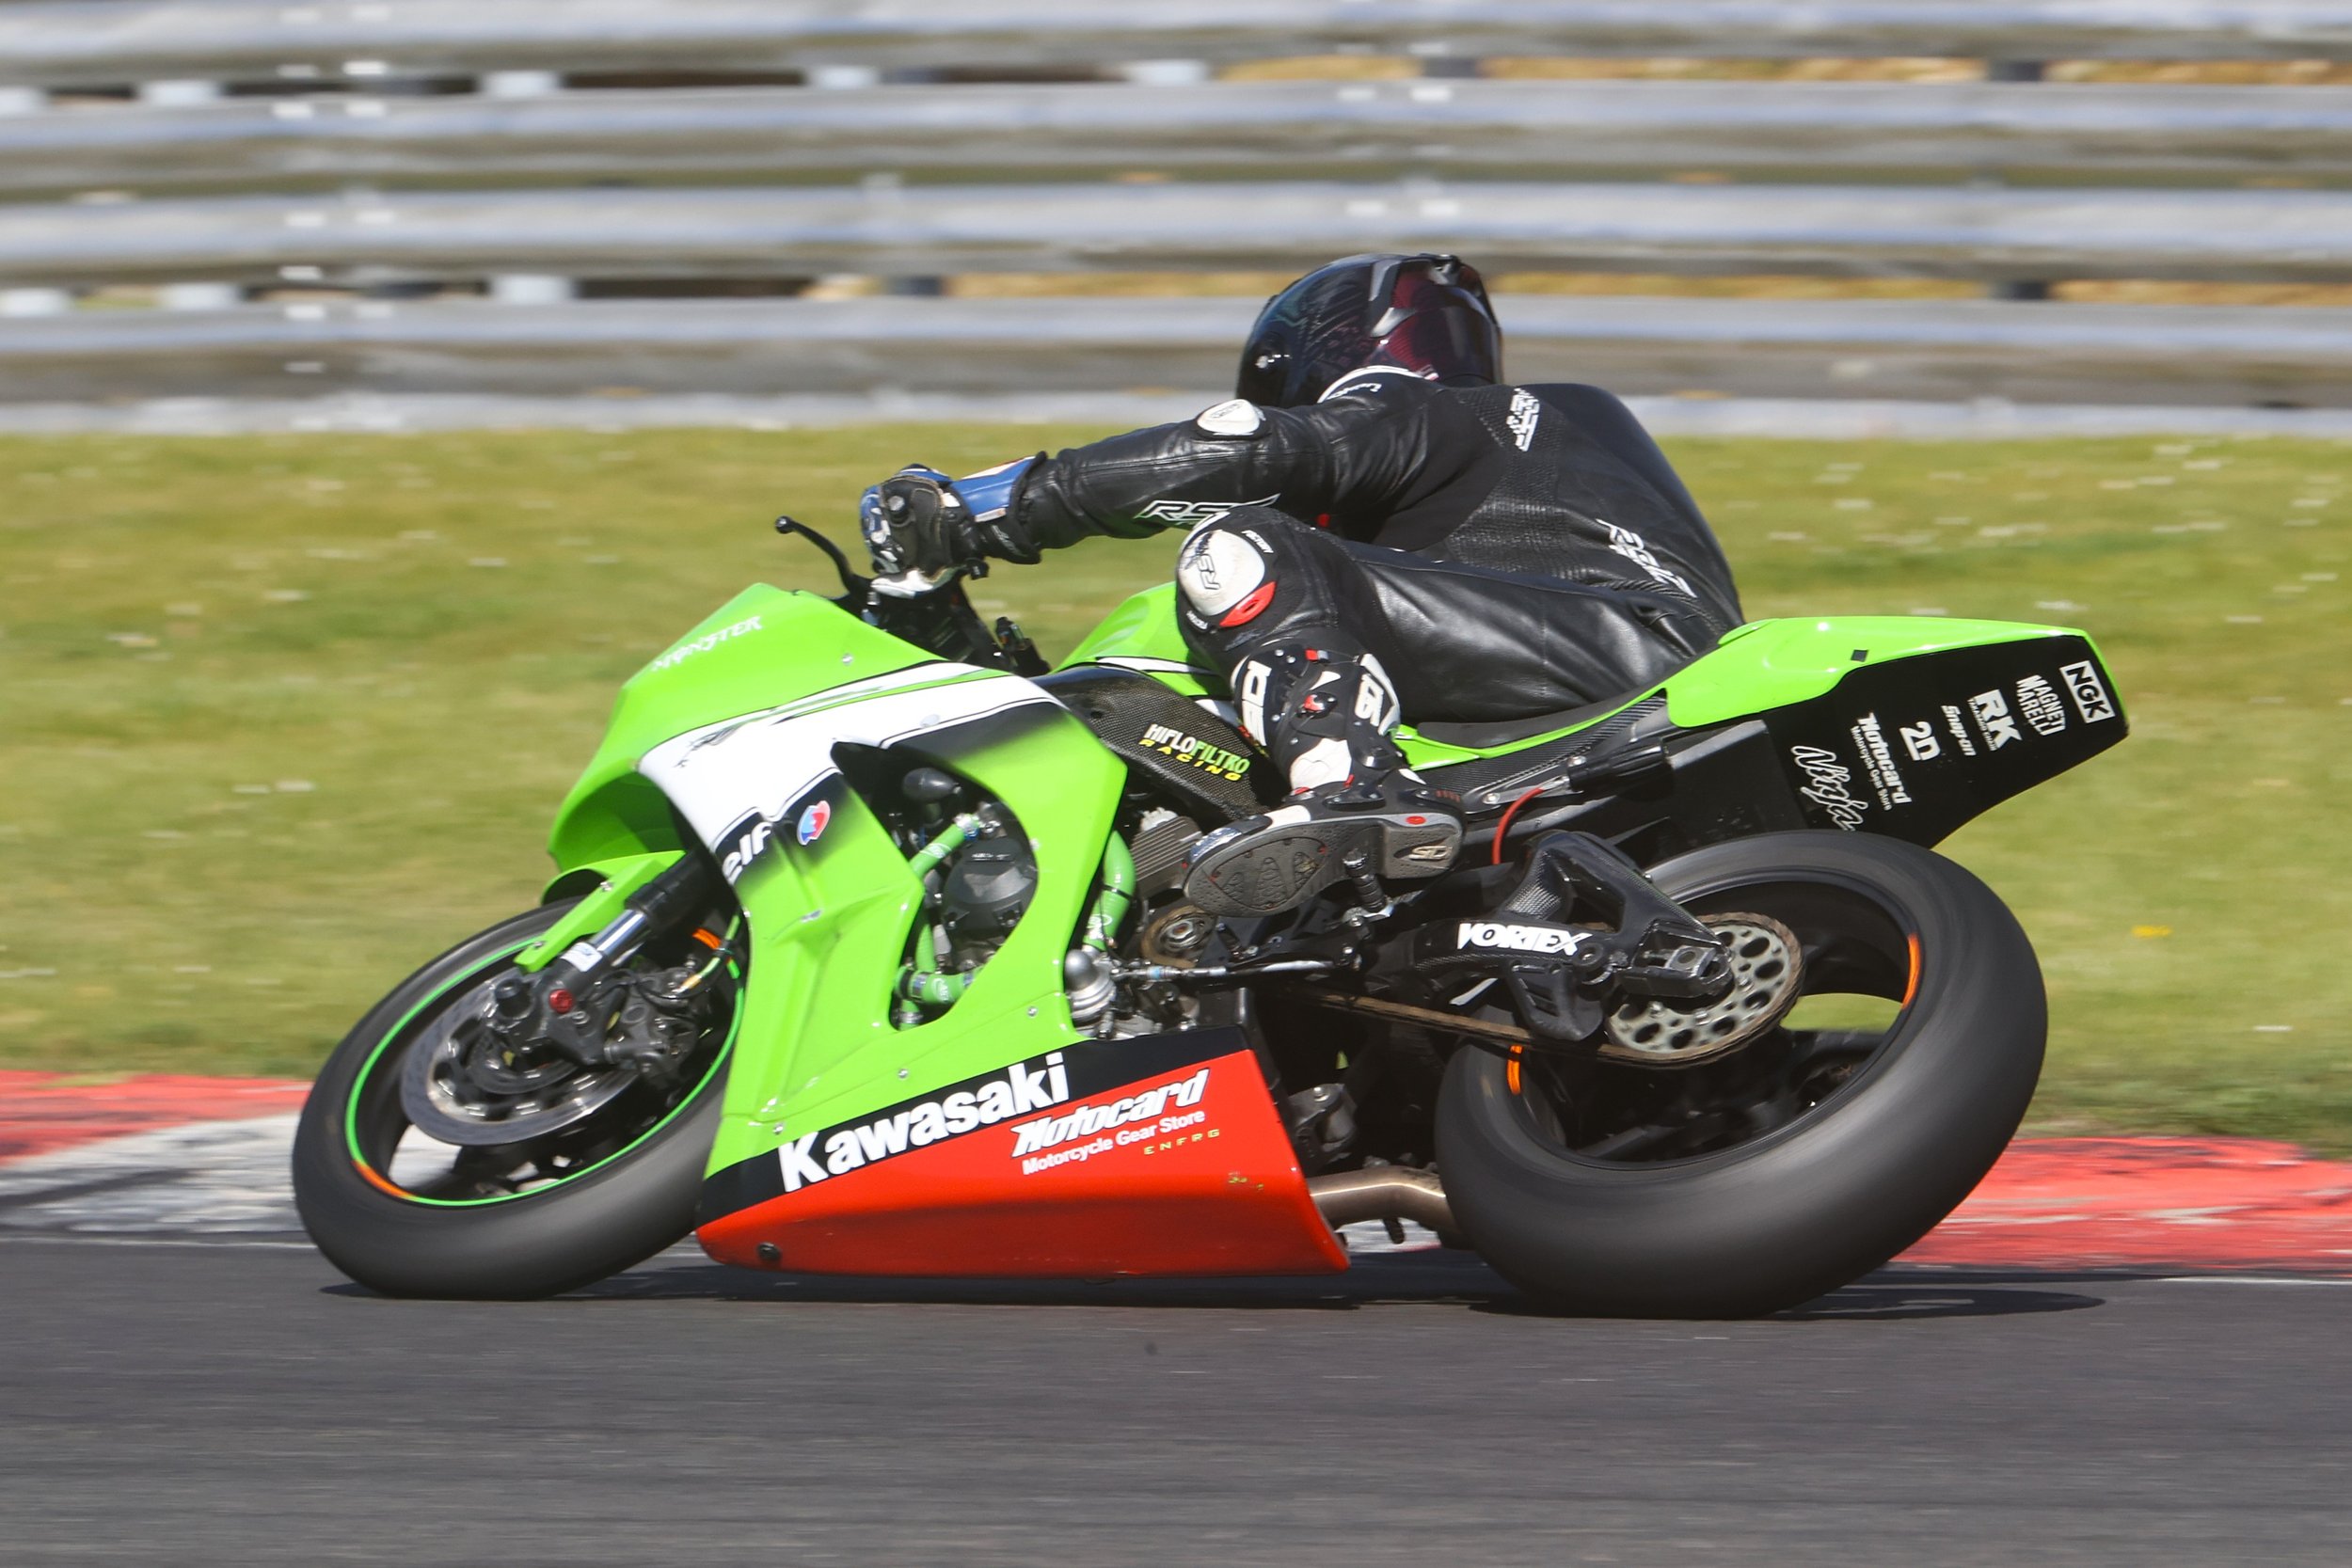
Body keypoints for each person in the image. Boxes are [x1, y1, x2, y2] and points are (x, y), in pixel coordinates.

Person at [859, 253, 1743, 915]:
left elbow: (1252, 447)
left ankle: (1351, 784)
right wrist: (917, 604)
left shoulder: (1454, 414)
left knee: (1234, 546)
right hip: (1569, 697)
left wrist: (989, 508)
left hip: (1625, 654)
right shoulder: (1460, 504)